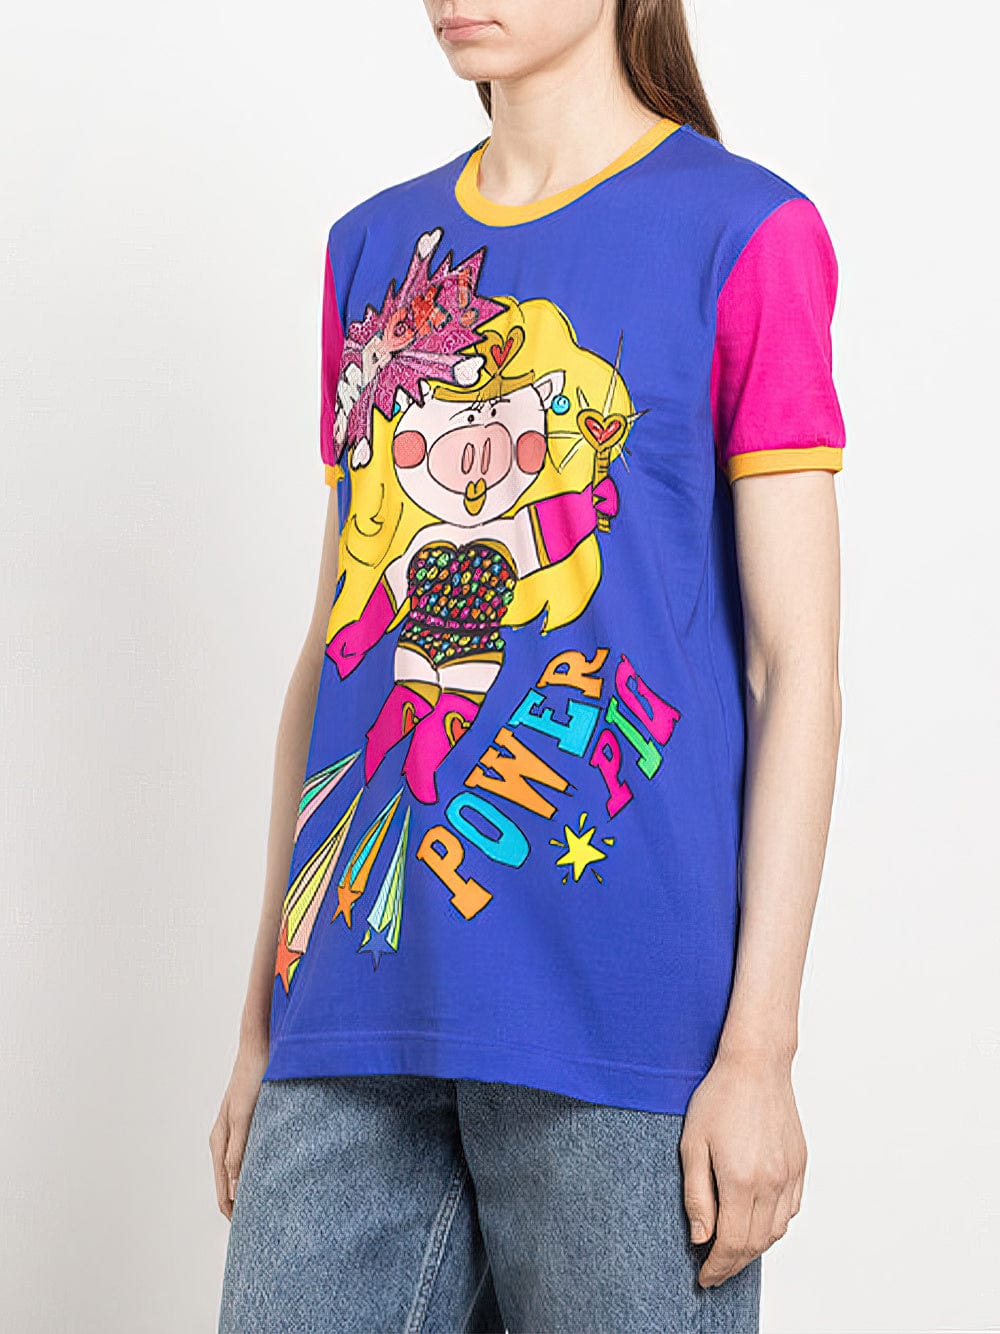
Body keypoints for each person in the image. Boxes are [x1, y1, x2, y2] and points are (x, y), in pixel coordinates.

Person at [210, 0, 845, 1329]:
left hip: (623, 1035)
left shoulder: (744, 234)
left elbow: (795, 668)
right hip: (351, 1013)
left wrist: (761, 1049)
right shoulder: (373, 253)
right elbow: (331, 644)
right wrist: (264, 1017)